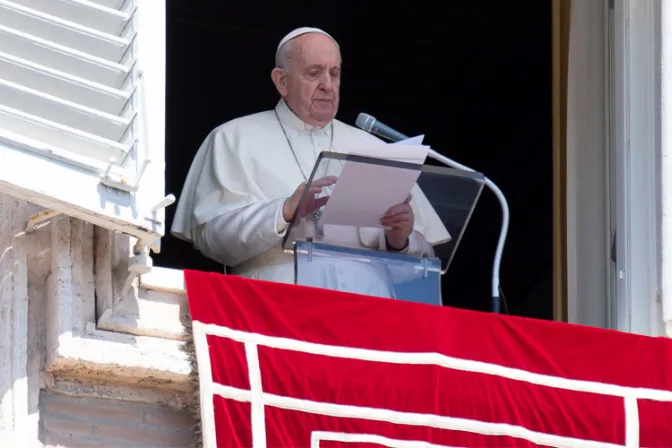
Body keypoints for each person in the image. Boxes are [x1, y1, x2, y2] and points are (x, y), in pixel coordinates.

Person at [171, 27, 451, 298]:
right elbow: (213, 241)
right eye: (314, 73)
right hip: (275, 305)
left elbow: (419, 271)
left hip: (368, 314)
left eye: (334, 73)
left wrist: (399, 240)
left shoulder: (374, 149)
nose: (327, 85)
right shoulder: (234, 138)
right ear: (281, 81)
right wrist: (284, 212)